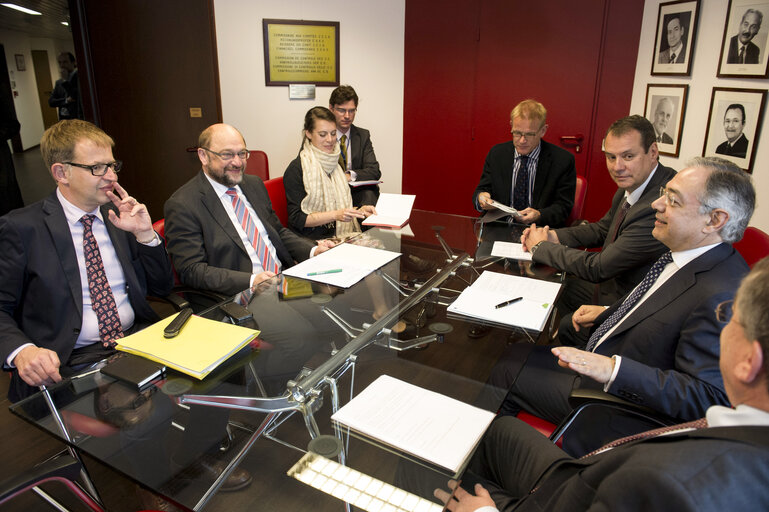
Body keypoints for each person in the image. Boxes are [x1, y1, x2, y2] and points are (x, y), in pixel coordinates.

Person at [436, 256, 769, 512]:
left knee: (430, 474)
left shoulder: (674, 485)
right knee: (492, 431)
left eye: (730, 317)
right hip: (589, 474)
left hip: (574, 491)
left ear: (748, 362)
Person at [496, 157, 754, 455]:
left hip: (623, 407)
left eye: (673, 200)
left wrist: (612, 370)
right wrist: (610, 312)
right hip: (610, 364)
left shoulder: (722, 295)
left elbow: (709, 397)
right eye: (663, 194)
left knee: (505, 369)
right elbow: (666, 312)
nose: (657, 205)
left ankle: (538, 472)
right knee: (514, 354)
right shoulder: (688, 254)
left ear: (715, 220)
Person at [0, 120, 173, 402]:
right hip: (71, 362)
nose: (111, 177)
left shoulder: (118, 217)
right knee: (134, 425)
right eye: (97, 168)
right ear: (61, 172)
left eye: (112, 166)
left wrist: (144, 234)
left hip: (137, 343)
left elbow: (162, 288)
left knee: (216, 388)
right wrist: (23, 351)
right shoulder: (22, 228)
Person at [520, 115, 676, 344]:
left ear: (653, 152)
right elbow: (603, 229)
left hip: (635, 303)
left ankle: (583, 361)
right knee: (561, 287)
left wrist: (541, 246)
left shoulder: (659, 204)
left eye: (628, 156)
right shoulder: (636, 182)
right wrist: (553, 235)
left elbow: (599, 268)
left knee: (568, 325)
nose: (617, 167)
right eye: (611, 157)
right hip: (616, 284)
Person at [164, 123, 332, 296]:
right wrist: (252, 281)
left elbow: (277, 233)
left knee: (334, 299)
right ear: (203, 156)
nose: (237, 162)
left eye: (242, 154)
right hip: (237, 297)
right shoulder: (183, 204)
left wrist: (313, 250)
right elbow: (192, 271)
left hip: (283, 284)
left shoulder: (253, 184)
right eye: (227, 154)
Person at [473, 99, 576, 227]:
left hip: (539, 229)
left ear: (543, 130)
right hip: (500, 227)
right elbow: (482, 190)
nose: (522, 140)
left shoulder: (562, 161)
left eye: (529, 134)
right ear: (511, 125)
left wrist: (539, 215)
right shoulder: (497, 154)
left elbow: (563, 207)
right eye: (517, 133)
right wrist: (482, 198)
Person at [284, 106, 376, 240]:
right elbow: (297, 219)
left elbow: (336, 206)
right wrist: (335, 215)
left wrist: (359, 211)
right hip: (311, 240)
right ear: (308, 133)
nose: (330, 140)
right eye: (322, 134)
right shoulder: (296, 169)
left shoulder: (335, 165)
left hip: (338, 235)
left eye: (333, 133)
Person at [329, 85, 382, 207]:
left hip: (357, 194)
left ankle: (366, 224)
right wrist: (339, 179)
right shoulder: (321, 135)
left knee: (370, 194)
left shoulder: (363, 135)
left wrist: (349, 175)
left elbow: (374, 171)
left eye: (352, 110)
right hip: (331, 193)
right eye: (342, 110)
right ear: (331, 109)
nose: (347, 116)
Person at [48, 52, 81, 120]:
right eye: (59, 62)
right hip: (64, 119)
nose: (62, 65)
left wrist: (65, 81)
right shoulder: (59, 82)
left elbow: (75, 96)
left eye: (65, 62)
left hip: (77, 119)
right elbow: (51, 102)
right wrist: (66, 100)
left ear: (73, 63)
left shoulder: (79, 78)